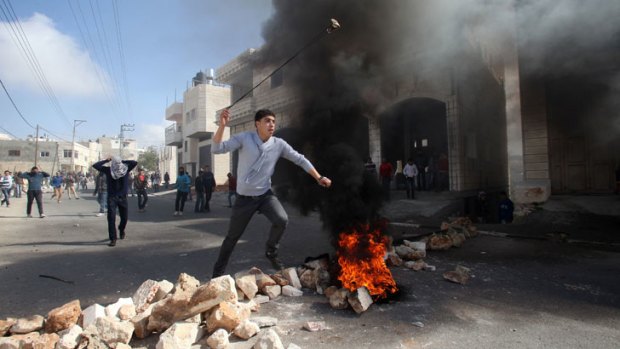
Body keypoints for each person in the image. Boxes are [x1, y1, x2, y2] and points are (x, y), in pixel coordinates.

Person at [210, 109, 332, 278]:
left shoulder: (279, 144)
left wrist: (319, 177)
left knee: (282, 219)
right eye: (267, 121)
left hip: (265, 196)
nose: (271, 124)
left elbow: (300, 159)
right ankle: (217, 274)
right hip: (244, 200)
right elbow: (217, 149)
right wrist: (222, 127)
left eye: (273, 121)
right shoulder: (245, 138)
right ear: (257, 124)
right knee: (232, 238)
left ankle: (271, 251)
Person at [92, 156, 138, 246]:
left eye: (118, 163)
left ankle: (121, 229)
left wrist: (123, 160)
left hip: (123, 197)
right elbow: (95, 165)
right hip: (112, 197)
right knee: (111, 218)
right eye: (115, 163)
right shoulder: (109, 170)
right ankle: (113, 239)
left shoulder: (125, 169)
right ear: (112, 163)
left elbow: (134, 162)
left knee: (124, 218)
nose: (117, 165)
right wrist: (107, 160)